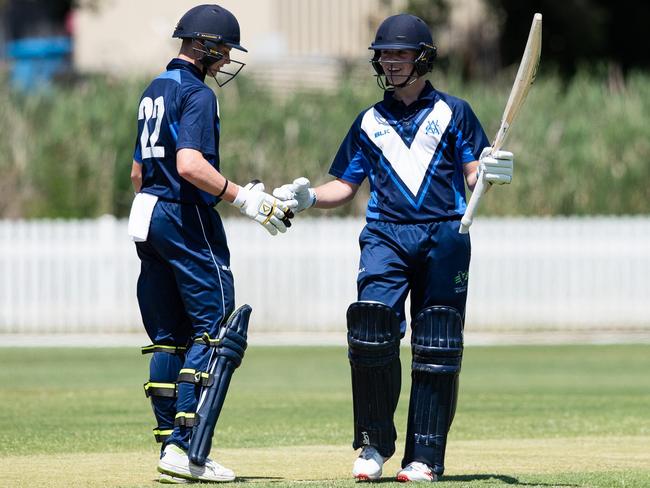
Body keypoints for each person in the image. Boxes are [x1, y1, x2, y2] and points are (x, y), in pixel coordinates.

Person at [273, 13, 513, 483]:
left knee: (437, 343)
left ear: (422, 57)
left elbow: (473, 176)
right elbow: (344, 186)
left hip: (445, 234)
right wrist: (306, 198)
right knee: (371, 330)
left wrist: (491, 171)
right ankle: (373, 445)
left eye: (401, 53)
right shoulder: (369, 120)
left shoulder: (454, 112)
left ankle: (424, 457)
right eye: (384, 53)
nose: (391, 60)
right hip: (385, 233)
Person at [128, 4, 295, 484]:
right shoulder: (196, 93)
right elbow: (189, 165)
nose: (225, 60)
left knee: (168, 336)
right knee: (217, 328)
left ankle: (168, 446)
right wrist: (246, 199)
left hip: (149, 215)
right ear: (205, 45)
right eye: (222, 50)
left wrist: (161, 215)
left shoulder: (152, 90)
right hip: (183, 215)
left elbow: (139, 172)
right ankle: (187, 449)